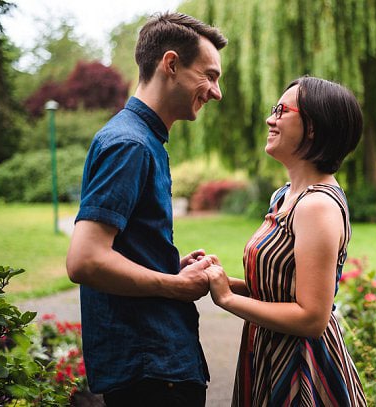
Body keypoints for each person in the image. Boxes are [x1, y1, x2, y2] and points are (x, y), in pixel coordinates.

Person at [65, 12, 227, 406]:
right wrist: (176, 286)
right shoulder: (130, 144)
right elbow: (85, 260)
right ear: (170, 64)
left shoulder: (143, 139)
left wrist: (169, 267)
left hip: (155, 364)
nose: (216, 91)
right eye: (209, 74)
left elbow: (118, 248)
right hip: (151, 371)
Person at [203, 76, 367, 406]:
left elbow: (311, 318)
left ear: (313, 127)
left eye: (281, 110)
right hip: (268, 351)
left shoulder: (316, 206)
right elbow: (281, 291)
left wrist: (227, 300)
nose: (270, 118)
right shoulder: (285, 197)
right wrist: (222, 281)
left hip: (300, 367)